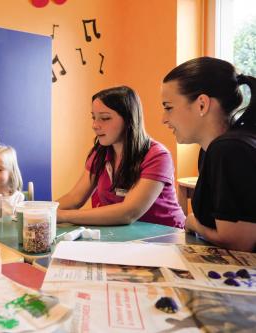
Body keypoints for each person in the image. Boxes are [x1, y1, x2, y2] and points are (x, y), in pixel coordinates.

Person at [161, 57, 256, 252]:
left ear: (202, 104)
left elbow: (238, 242)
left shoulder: (229, 150)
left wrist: (193, 223)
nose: (164, 119)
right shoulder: (211, 150)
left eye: (168, 108)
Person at [57, 86, 185, 228]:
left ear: (129, 119)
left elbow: (128, 212)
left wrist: (62, 215)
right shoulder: (100, 153)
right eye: (94, 117)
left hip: (166, 238)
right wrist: (41, 211)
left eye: (105, 118)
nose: (95, 125)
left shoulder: (158, 156)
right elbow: (75, 198)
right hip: (125, 237)